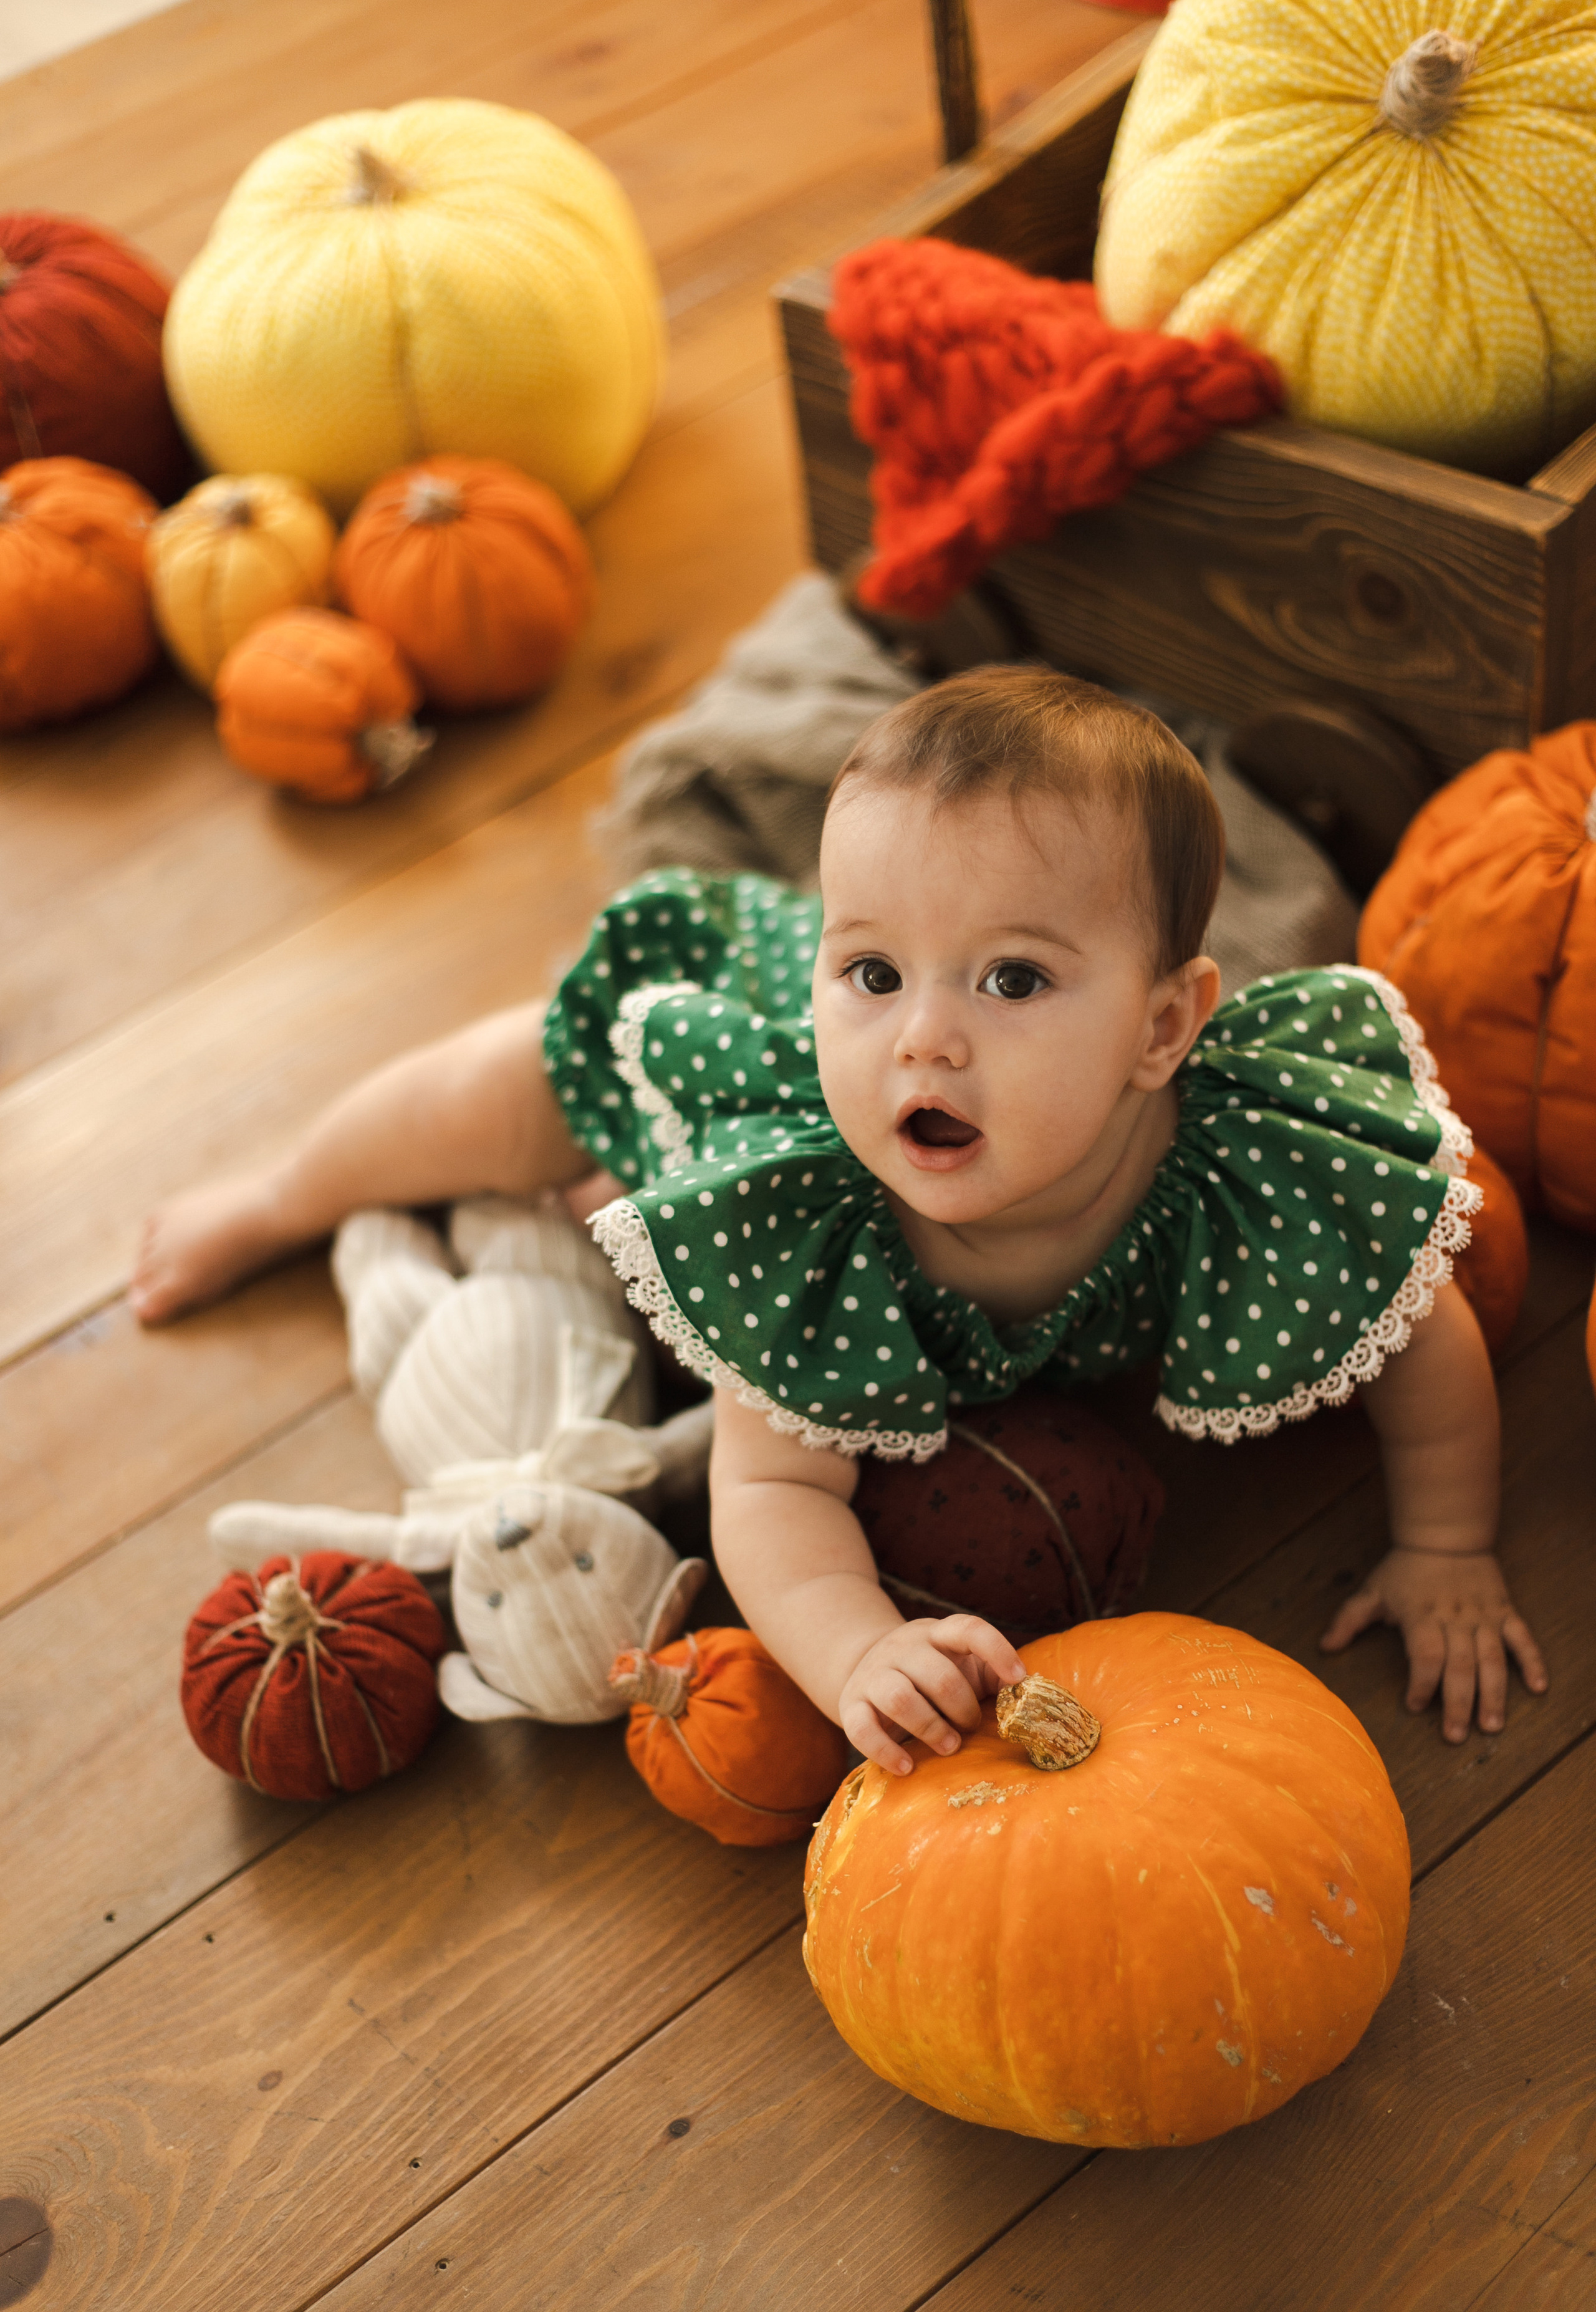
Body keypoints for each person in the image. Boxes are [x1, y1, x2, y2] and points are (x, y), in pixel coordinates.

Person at [132, 667, 1546, 1757]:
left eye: (1010, 982)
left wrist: (1444, 1544)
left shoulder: (1242, 1174)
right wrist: (854, 1648)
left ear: (1161, 1028)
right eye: (870, 972)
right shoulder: (812, 1213)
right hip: (725, 1069)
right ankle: (283, 1188)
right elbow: (766, 1491)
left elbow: (1424, 1350)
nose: (921, 1043)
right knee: (511, 1083)